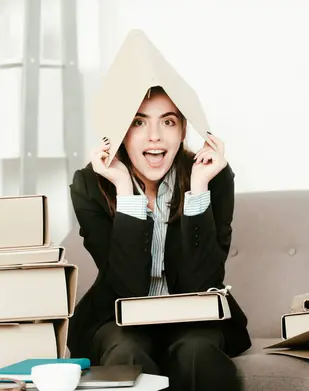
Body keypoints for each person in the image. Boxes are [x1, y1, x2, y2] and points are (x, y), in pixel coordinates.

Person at [67, 86, 251, 391]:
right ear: (121, 133)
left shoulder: (212, 177)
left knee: (197, 354)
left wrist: (199, 190)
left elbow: (201, 282)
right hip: (117, 317)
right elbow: (125, 285)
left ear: (182, 131)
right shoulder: (88, 185)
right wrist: (125, 190)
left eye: (167, 122)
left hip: (196, 320)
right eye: (138, 122)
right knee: (126, 352)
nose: (154, 136)